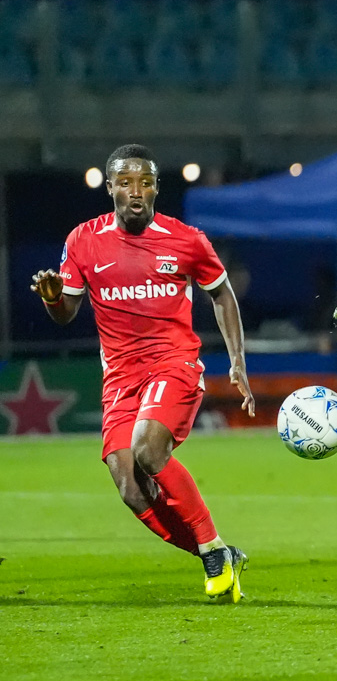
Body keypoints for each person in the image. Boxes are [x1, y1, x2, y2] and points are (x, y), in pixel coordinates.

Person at [30, 144, 255, 602]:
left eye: (146, 183)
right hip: (120, 378)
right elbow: (66, 313)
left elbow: (222, 293)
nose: (136, 191)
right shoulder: (83, 241)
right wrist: (53, 297)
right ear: (110, 187)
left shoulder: (186, 240)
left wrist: (237, 360)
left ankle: (212, 551)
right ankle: (217, 552)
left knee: (149, 450)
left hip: (174, 364)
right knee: (130, 486)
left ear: (156, 189)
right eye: (126, 182)